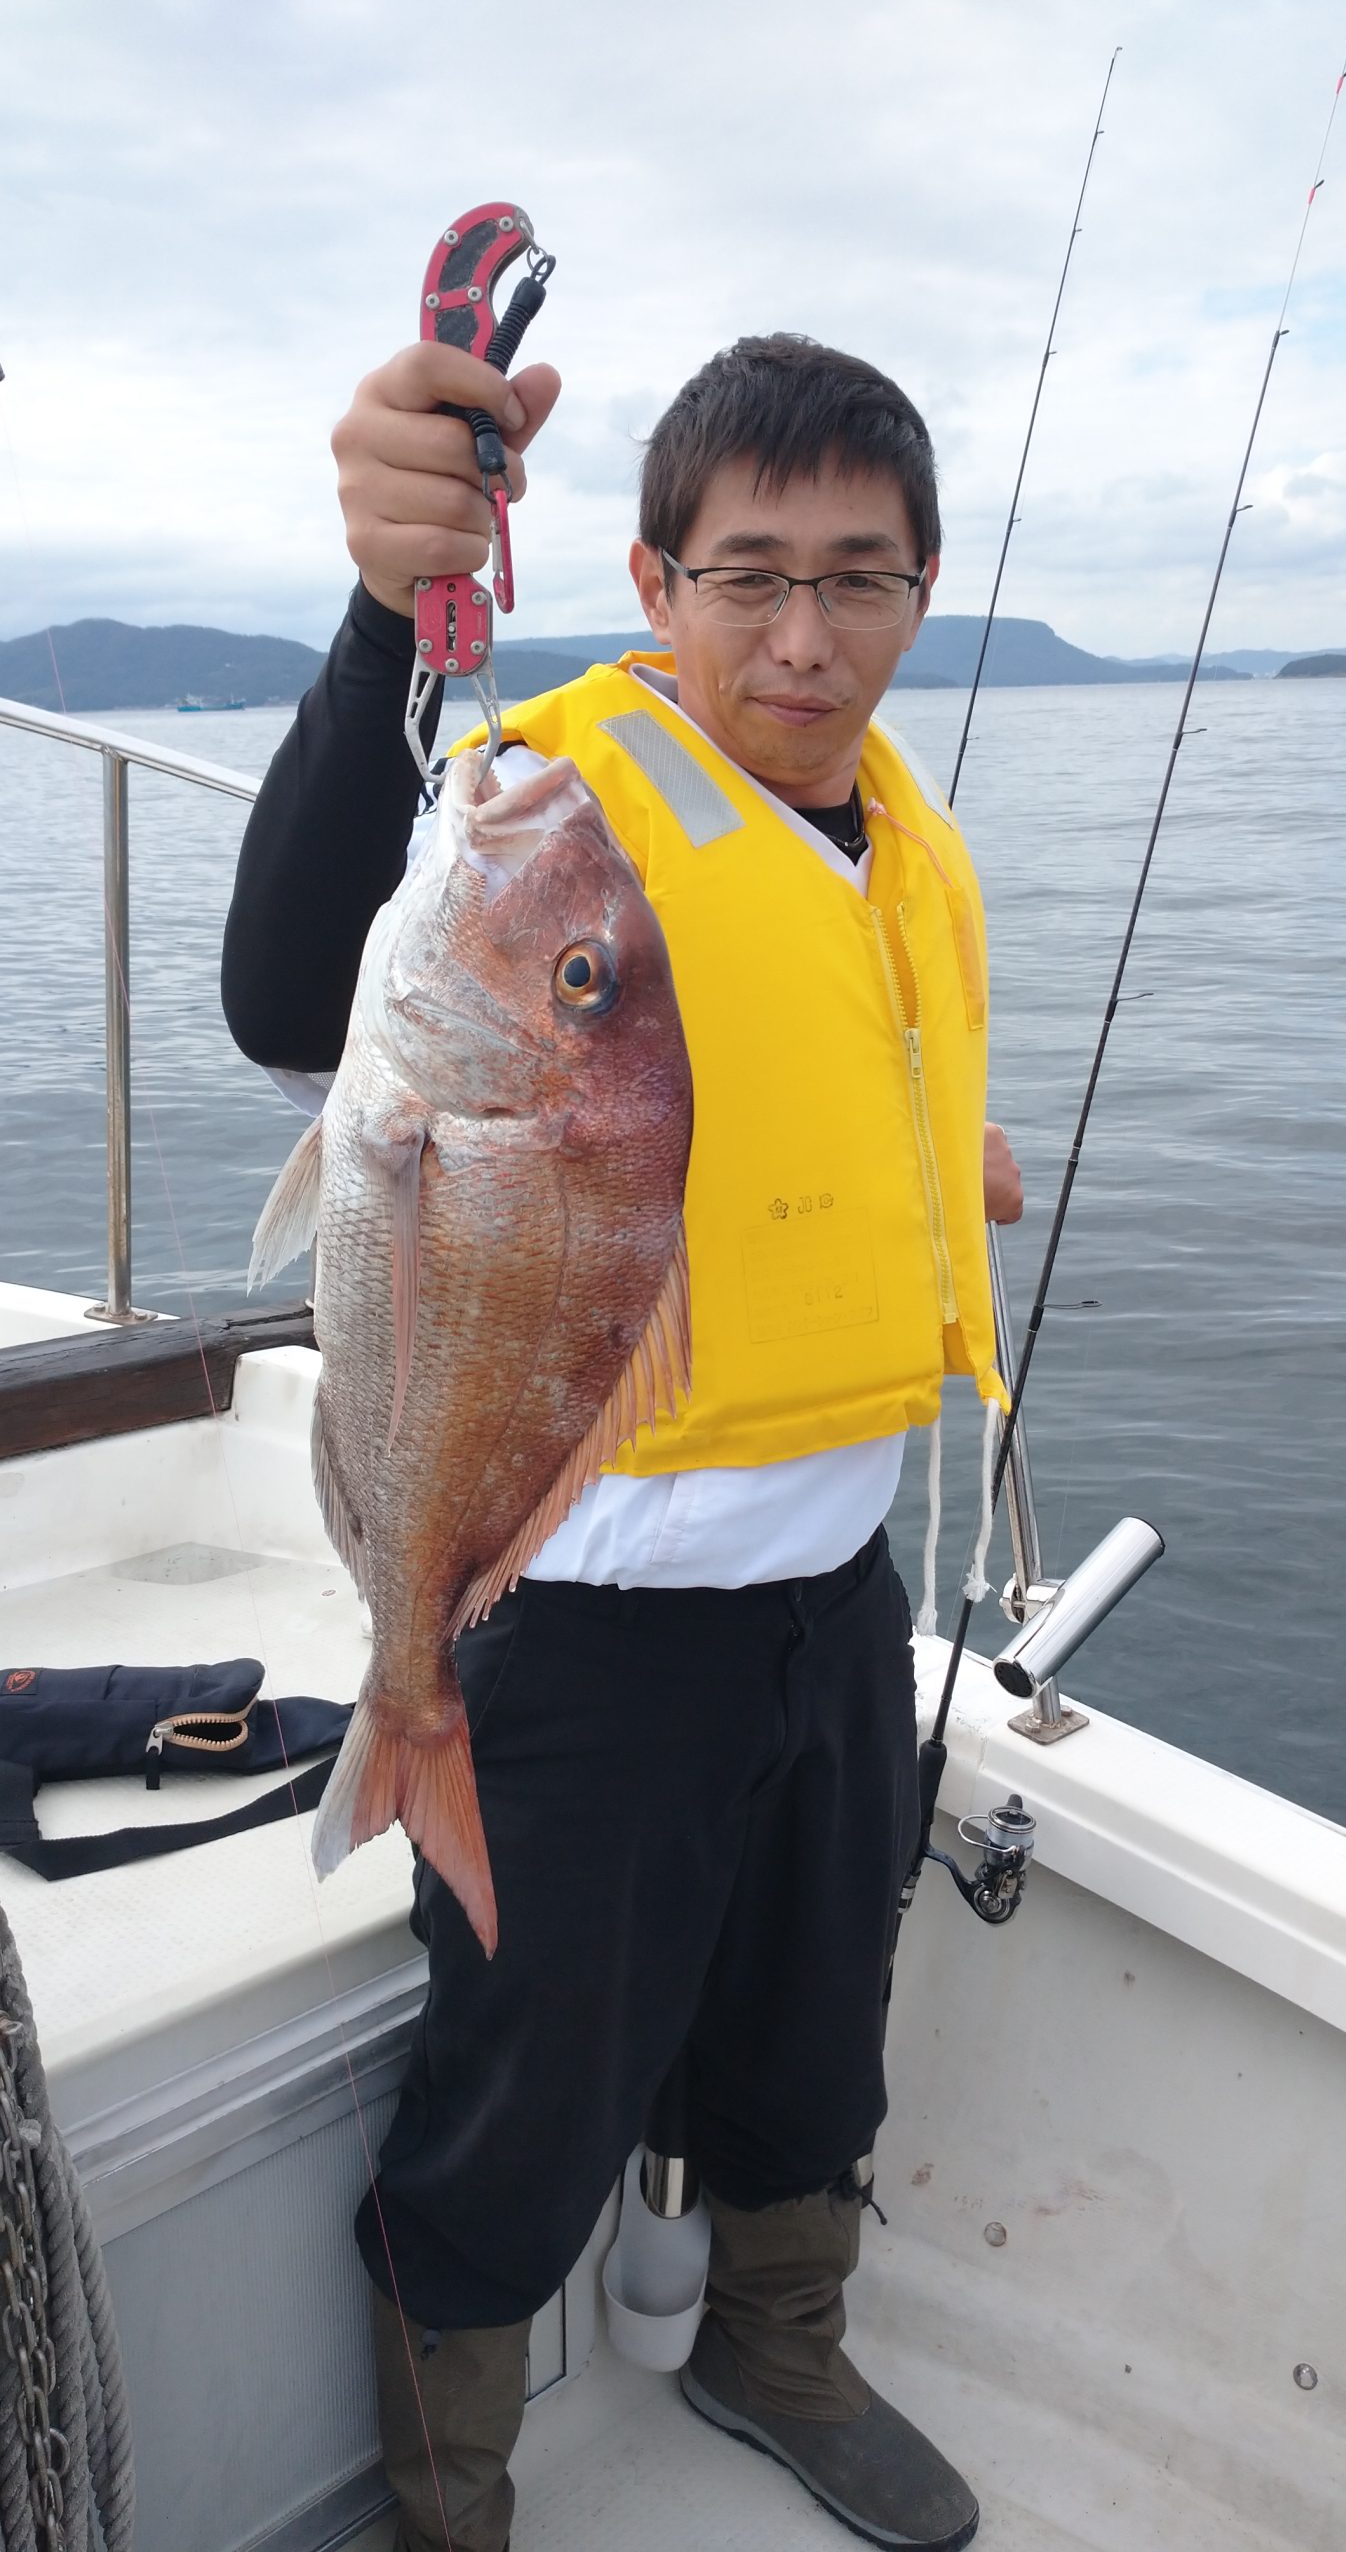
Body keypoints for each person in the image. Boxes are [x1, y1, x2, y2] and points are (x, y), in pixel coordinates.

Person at [223, 328, 1024, 2552]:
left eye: (856, 578)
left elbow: (794, 1087)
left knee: (812, 2028)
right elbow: (294, 1000)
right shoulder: (555, 799)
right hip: (575, 1613)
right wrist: (387, 607)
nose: (802, 635)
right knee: (521, 2093)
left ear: (922, 586)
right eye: (747, 575)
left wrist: (937, 1168)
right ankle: (450, 2489)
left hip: (832, 1595)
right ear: (656, 583)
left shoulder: (892, 831)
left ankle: (780, 2344)